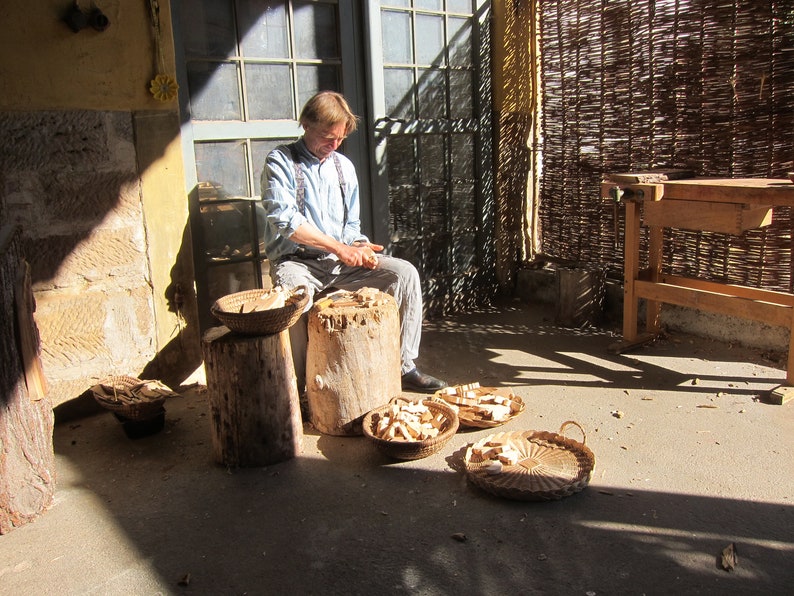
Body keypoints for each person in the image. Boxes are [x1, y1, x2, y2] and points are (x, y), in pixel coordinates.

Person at [260, 91, 447, 394]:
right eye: (327, 137)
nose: (333, 145)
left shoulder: (343, 167)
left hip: (339, 264)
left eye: (339, 138)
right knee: (295, 297)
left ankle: (403, 367)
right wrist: (338, 248)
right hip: (297, 262)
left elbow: (350, 226)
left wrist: (359, 246)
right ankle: (302, 386)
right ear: (306, 124)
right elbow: (285, 221)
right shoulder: (281, 160)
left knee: (404, 273)